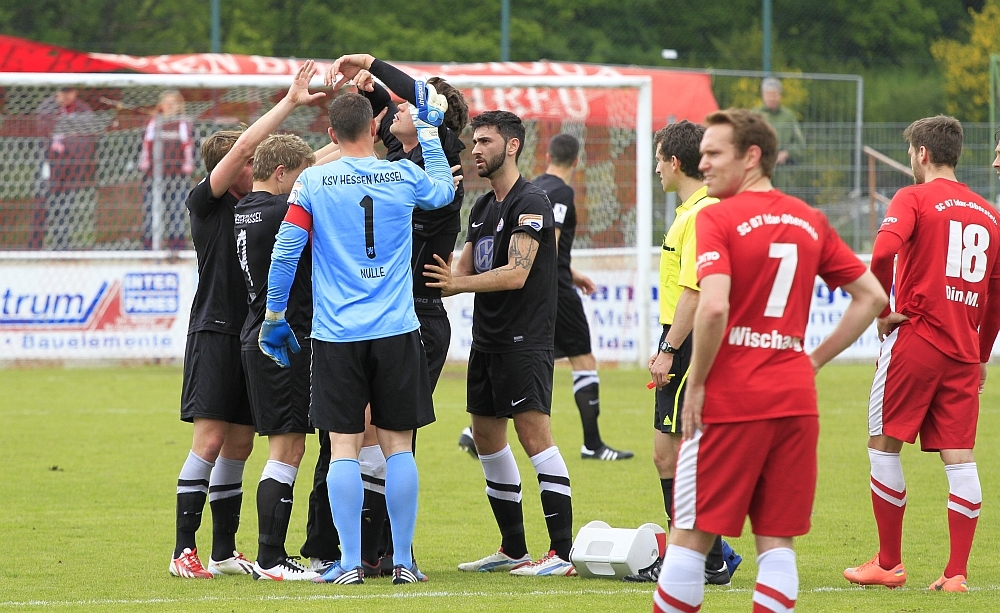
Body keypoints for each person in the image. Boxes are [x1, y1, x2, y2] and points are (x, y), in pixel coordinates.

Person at [653, 109, 886, 612]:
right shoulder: (810, 218)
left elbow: (713, 305)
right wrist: (813, 360)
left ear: (751, 156)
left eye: (714, 154)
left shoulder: (716, 216)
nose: (704, 163)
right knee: (777, 543)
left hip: (732, 400)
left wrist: (695, 385)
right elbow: (871, 296)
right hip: (795, 401)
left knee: (689, 534)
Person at [262, 89, 455, 586]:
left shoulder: (313, 181)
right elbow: (443, 193)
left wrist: (274, 315)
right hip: (396, 329)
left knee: (343, 446)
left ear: (330, 134)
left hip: (337, 334)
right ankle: (405, 562)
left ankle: (349, 562)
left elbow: (286, 253)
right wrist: (430, 131)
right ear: (375, 129)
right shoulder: (404, 175)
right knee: (399, 448)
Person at [304, 56, 467, 578]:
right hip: (391, 320)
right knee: (371, 440)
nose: (394, 108)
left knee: (375, 440)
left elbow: (397, 115)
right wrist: (369, 85)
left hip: (406, 315)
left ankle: (388, 552)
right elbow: (365, 128)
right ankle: (364, 552)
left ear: (426, 115)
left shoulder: (439, 162)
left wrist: (373, 66)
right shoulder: (402, 162)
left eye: (404, 106)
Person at [169, 61, 325, 580]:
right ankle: (181, 551)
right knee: (210, 442)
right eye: (246, 158)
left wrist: (364, 150)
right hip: (214, 332)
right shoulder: (208, 205)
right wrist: (290, 102)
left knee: (238, 445)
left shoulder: (260, 206)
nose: (253, 162)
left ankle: (222, 551)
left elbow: (302, 167)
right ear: (231, 166)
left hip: (250, 336)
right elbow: (247, 152)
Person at [843, 116, 1000, 593]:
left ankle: (889, 563)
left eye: (912, 152)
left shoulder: (912, 197)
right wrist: (980, 356)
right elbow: (995, 296)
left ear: (923, 154)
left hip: (917, 338)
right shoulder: (989, 214)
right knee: (961, 460)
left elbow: (881, 252)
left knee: (883, 444)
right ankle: (956, 574)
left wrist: (883, 311)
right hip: (962, 350)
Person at [424, 110, 576, 577]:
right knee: (488, 437)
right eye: (474, 142)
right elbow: (461, 265)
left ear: (511, 146)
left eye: (485, 141)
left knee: (534, 436)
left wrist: (457, 285)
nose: (475, 149)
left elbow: (516, 273)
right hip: (488, 341)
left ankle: (561, 555)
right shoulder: (485, 206)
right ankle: (513, 549)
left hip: (524, 340)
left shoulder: (533, 202)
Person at [626, 120, 739, 585]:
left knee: (674, 455)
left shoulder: (700, 214)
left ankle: (694, 557)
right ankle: (710, 555)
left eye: (658, 159)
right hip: (681, 336)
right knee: (673, 454)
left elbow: (695, 290)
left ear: (674, 162)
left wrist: (670, 349)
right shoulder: (695, 210)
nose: (655, 169)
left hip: (686, 339)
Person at [233, 134, 319, 581]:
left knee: (284, 447)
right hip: (281, 338)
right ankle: (270, 558)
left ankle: (271, 556)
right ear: (283, 174)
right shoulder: (280, 212)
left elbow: (307, 168)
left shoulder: (247, 207)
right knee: (288, 448)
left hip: (255, 334)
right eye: (301, 177)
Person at [532, 133, 633, 461]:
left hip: (535, 286)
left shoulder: (535, 186)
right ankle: (592, 443)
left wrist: (576, 275)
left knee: (527, 356)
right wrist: (565, 279)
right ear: (576, 161)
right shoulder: (562, 191)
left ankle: (476, 432)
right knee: (584, 360)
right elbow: (552, 241)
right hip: (555, 288)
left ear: (548, 155)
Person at [32, 86, 98, 249]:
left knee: (65, 204)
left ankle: (61, 245)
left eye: (69, 92)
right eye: (62, 92)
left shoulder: (83, 109)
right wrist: (69, 131)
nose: (65, 96)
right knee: (43, 202)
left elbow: (88, 135)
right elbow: (44, 131)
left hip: (72, 163)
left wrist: (69, 140)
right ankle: (35, 245)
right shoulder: (48, 107)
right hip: (49, 161)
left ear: (75, 93)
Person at [139, 90, 195, 250]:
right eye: (167, 102)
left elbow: (189, 146)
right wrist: (145, 161)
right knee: (151, 209)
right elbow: (145, 144)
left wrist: (188, 163)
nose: (170, 106)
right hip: (154, 177)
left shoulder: (184, 124)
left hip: (177, 177)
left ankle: (176, 245)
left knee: (176, 210)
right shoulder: (153, 122)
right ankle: (149, 245)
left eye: (174, 102)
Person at [754, 78, 805, 166]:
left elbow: (800, 144)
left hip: (784, 169)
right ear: (763, 96)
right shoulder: (754, 115)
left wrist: (787, 153)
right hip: (760, 167)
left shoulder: (789, 116)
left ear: (780, 96)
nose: (772, 98)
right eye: (768, 95)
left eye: (774, 94)